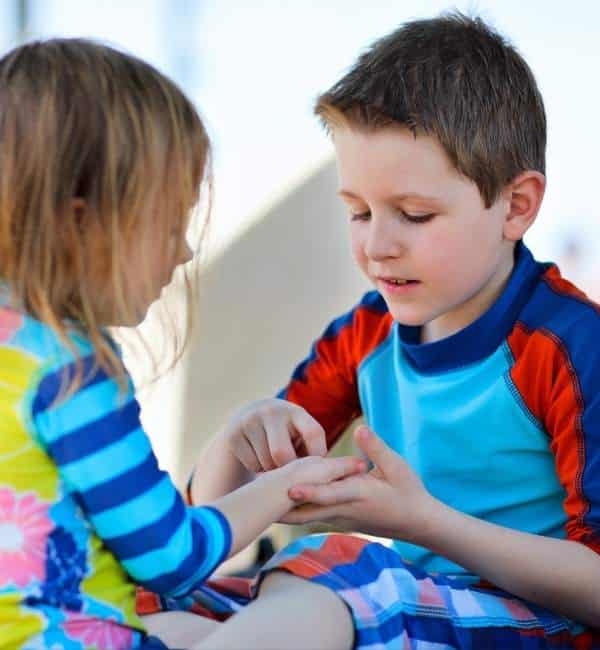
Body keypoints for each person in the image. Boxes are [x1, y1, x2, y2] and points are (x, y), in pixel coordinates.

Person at [174, 12, 600, 650]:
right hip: (408, 606)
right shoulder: (363, 336)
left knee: (335, 568)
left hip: (543, 625)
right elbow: (209, 527)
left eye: (415, 215)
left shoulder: (569, 345)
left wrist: (424, 523)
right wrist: (237, 440)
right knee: (155, 598)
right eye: (358, 212)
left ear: (516, 206)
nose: (377, 245)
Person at [0, 39, 366, 650]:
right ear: (84, 222)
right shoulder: (71, 371)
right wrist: (285, 486)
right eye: (169, 223)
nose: (184, 250)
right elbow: (171, 556)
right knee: (323, 612)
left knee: (191, 624)